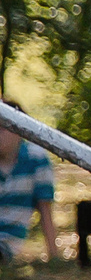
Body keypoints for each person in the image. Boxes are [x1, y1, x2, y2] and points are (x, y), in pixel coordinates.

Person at [0, 103, 61, 265]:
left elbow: (45, 208)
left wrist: (54, 256)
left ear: (19, 131)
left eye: (2, 129)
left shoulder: (35, 159)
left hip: (6, 243)